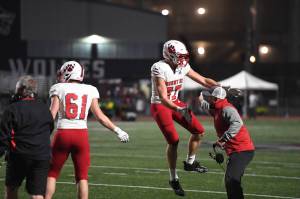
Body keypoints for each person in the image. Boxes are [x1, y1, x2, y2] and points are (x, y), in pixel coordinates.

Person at [45, 61, 129, 199]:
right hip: (81, 135)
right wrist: (118, 130)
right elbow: (100, 116)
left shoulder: (58, 87)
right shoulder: (91, 89)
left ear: (68, 73)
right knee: (82, 177)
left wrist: (40, 134)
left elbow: (51, 115)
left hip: (63, 134)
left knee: (52, 173)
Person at [150, 40, 220, 196]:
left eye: (184, 56)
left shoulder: (183, 66)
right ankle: (173, 178)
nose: (182, 60)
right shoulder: (159, 67)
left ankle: (190, 163)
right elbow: (162, 97)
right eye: (178, 56)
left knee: (199, 131)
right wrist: (178, 108)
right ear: (169, 55)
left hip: (175, 102)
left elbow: (203, 80)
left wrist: (221, 88)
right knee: (174, 141)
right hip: (161, 105)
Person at [0, 76, 54, 199]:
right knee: (37, 195)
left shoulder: (12, 109)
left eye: (17, 87)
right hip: (42, 155)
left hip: (19, 155)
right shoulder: (44, 108)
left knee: (11, 188)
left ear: (22, 89)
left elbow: (3, 137)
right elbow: (50, 128)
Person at [199, 86, 255, 199]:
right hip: (236, 151)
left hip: (243, 150)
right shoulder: (217, 108)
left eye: (211, 97)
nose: (208, 99)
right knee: (231, 181)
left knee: (231, 180)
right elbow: (205, 105)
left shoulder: (226, 109)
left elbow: (237, 123)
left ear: (215, 98)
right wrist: (200, 99)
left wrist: (223, 139)